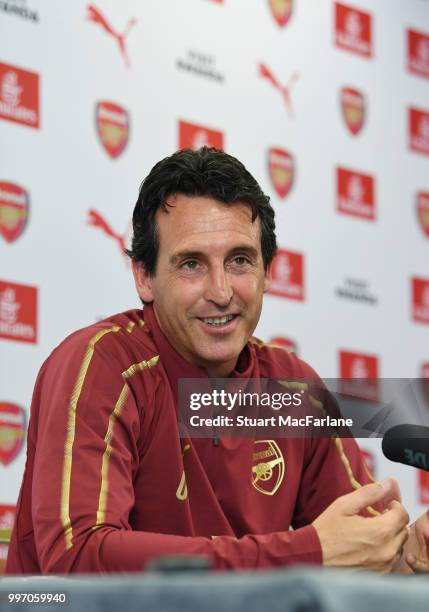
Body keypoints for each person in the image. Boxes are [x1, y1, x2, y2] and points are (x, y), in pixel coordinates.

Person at [6, 147, 428, 574]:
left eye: (240, 260)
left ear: (267, 273)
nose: (222, 291)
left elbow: (360, 550)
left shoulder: (295, 388)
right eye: (192, 264)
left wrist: (410, 554)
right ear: (144, 276)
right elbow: (77, 560)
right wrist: (303, 554)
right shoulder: (102, 366)